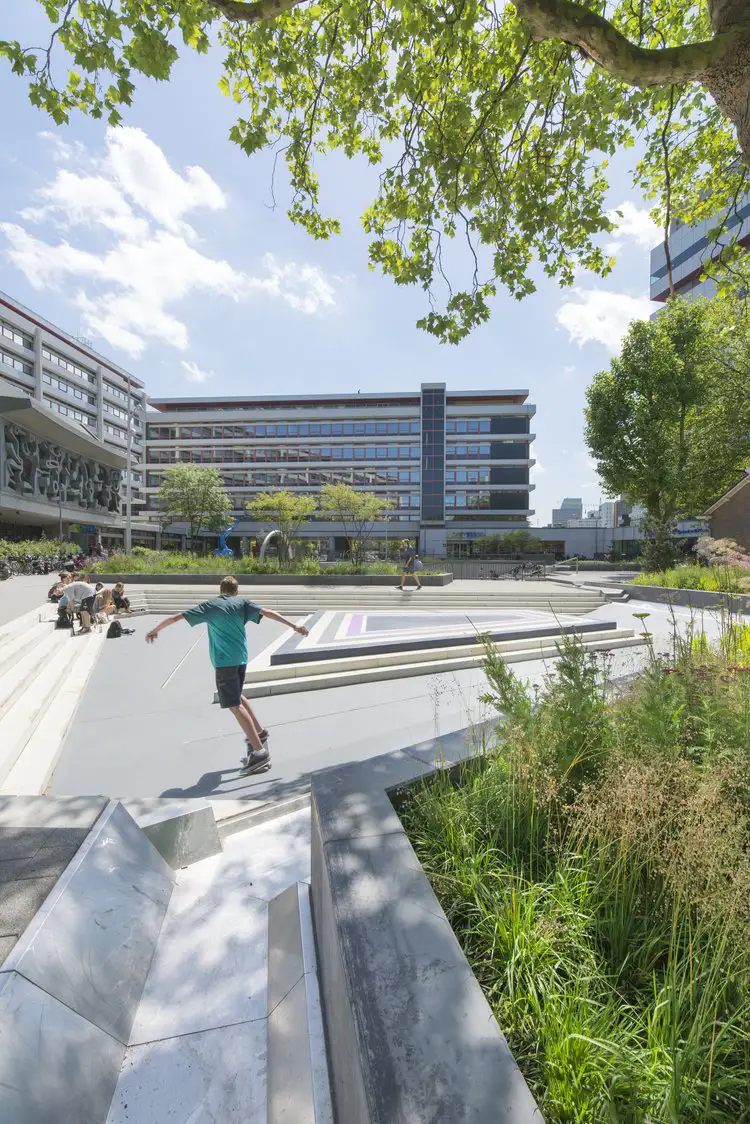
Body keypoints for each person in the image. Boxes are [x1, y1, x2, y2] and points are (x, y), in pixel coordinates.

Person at [145, 576, 309, 773]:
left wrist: (156, 629)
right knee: (237, 695)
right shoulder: (242, 603)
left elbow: (176, 617)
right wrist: (294, 626)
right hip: (241, 659)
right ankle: (260, 733)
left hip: (224, 662)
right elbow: (268, 612)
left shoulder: (211, 606)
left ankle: (259, 753)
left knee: (233, 704)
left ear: (220, 589)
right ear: (236, 591)